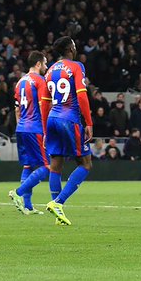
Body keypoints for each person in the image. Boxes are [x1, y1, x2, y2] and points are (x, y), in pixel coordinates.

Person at [42, 37, 94, 226]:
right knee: (86, 164)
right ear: (71, 48)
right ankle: (58, 203)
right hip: (69, 119)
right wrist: (88, 122)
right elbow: (81, 95)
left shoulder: (49, 71)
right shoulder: (76, 66)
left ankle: (57, 213)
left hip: (52, 119)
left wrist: (45, 130)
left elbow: (45, 102)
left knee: (56, 165)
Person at [8, 51, 50, 215]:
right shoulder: (39, 81)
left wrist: (21, 127)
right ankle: (17, 193)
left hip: (22, 128)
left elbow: (17, 109)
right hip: (35, 128)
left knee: (29, 165)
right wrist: (46, 129)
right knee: (47, 166)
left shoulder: (20, 82)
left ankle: (28, 206)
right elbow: (42, 106)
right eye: (45, 63)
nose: (46, 67)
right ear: (38, 64)